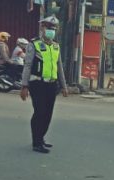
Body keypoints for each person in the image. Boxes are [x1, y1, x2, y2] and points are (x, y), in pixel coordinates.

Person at [20, 15, 68, 154]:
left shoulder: (56, 46)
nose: (51, 30)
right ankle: (36, 142)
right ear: (42, 28)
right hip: (37, 83)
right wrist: (24, 86)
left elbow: (59, 68)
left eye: (53, 28)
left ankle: (41, 138)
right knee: (40, 112)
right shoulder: (33, 44)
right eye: (48, 27)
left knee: (48, 114)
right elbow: (28, 65)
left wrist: (64, 86)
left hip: (52, 85)